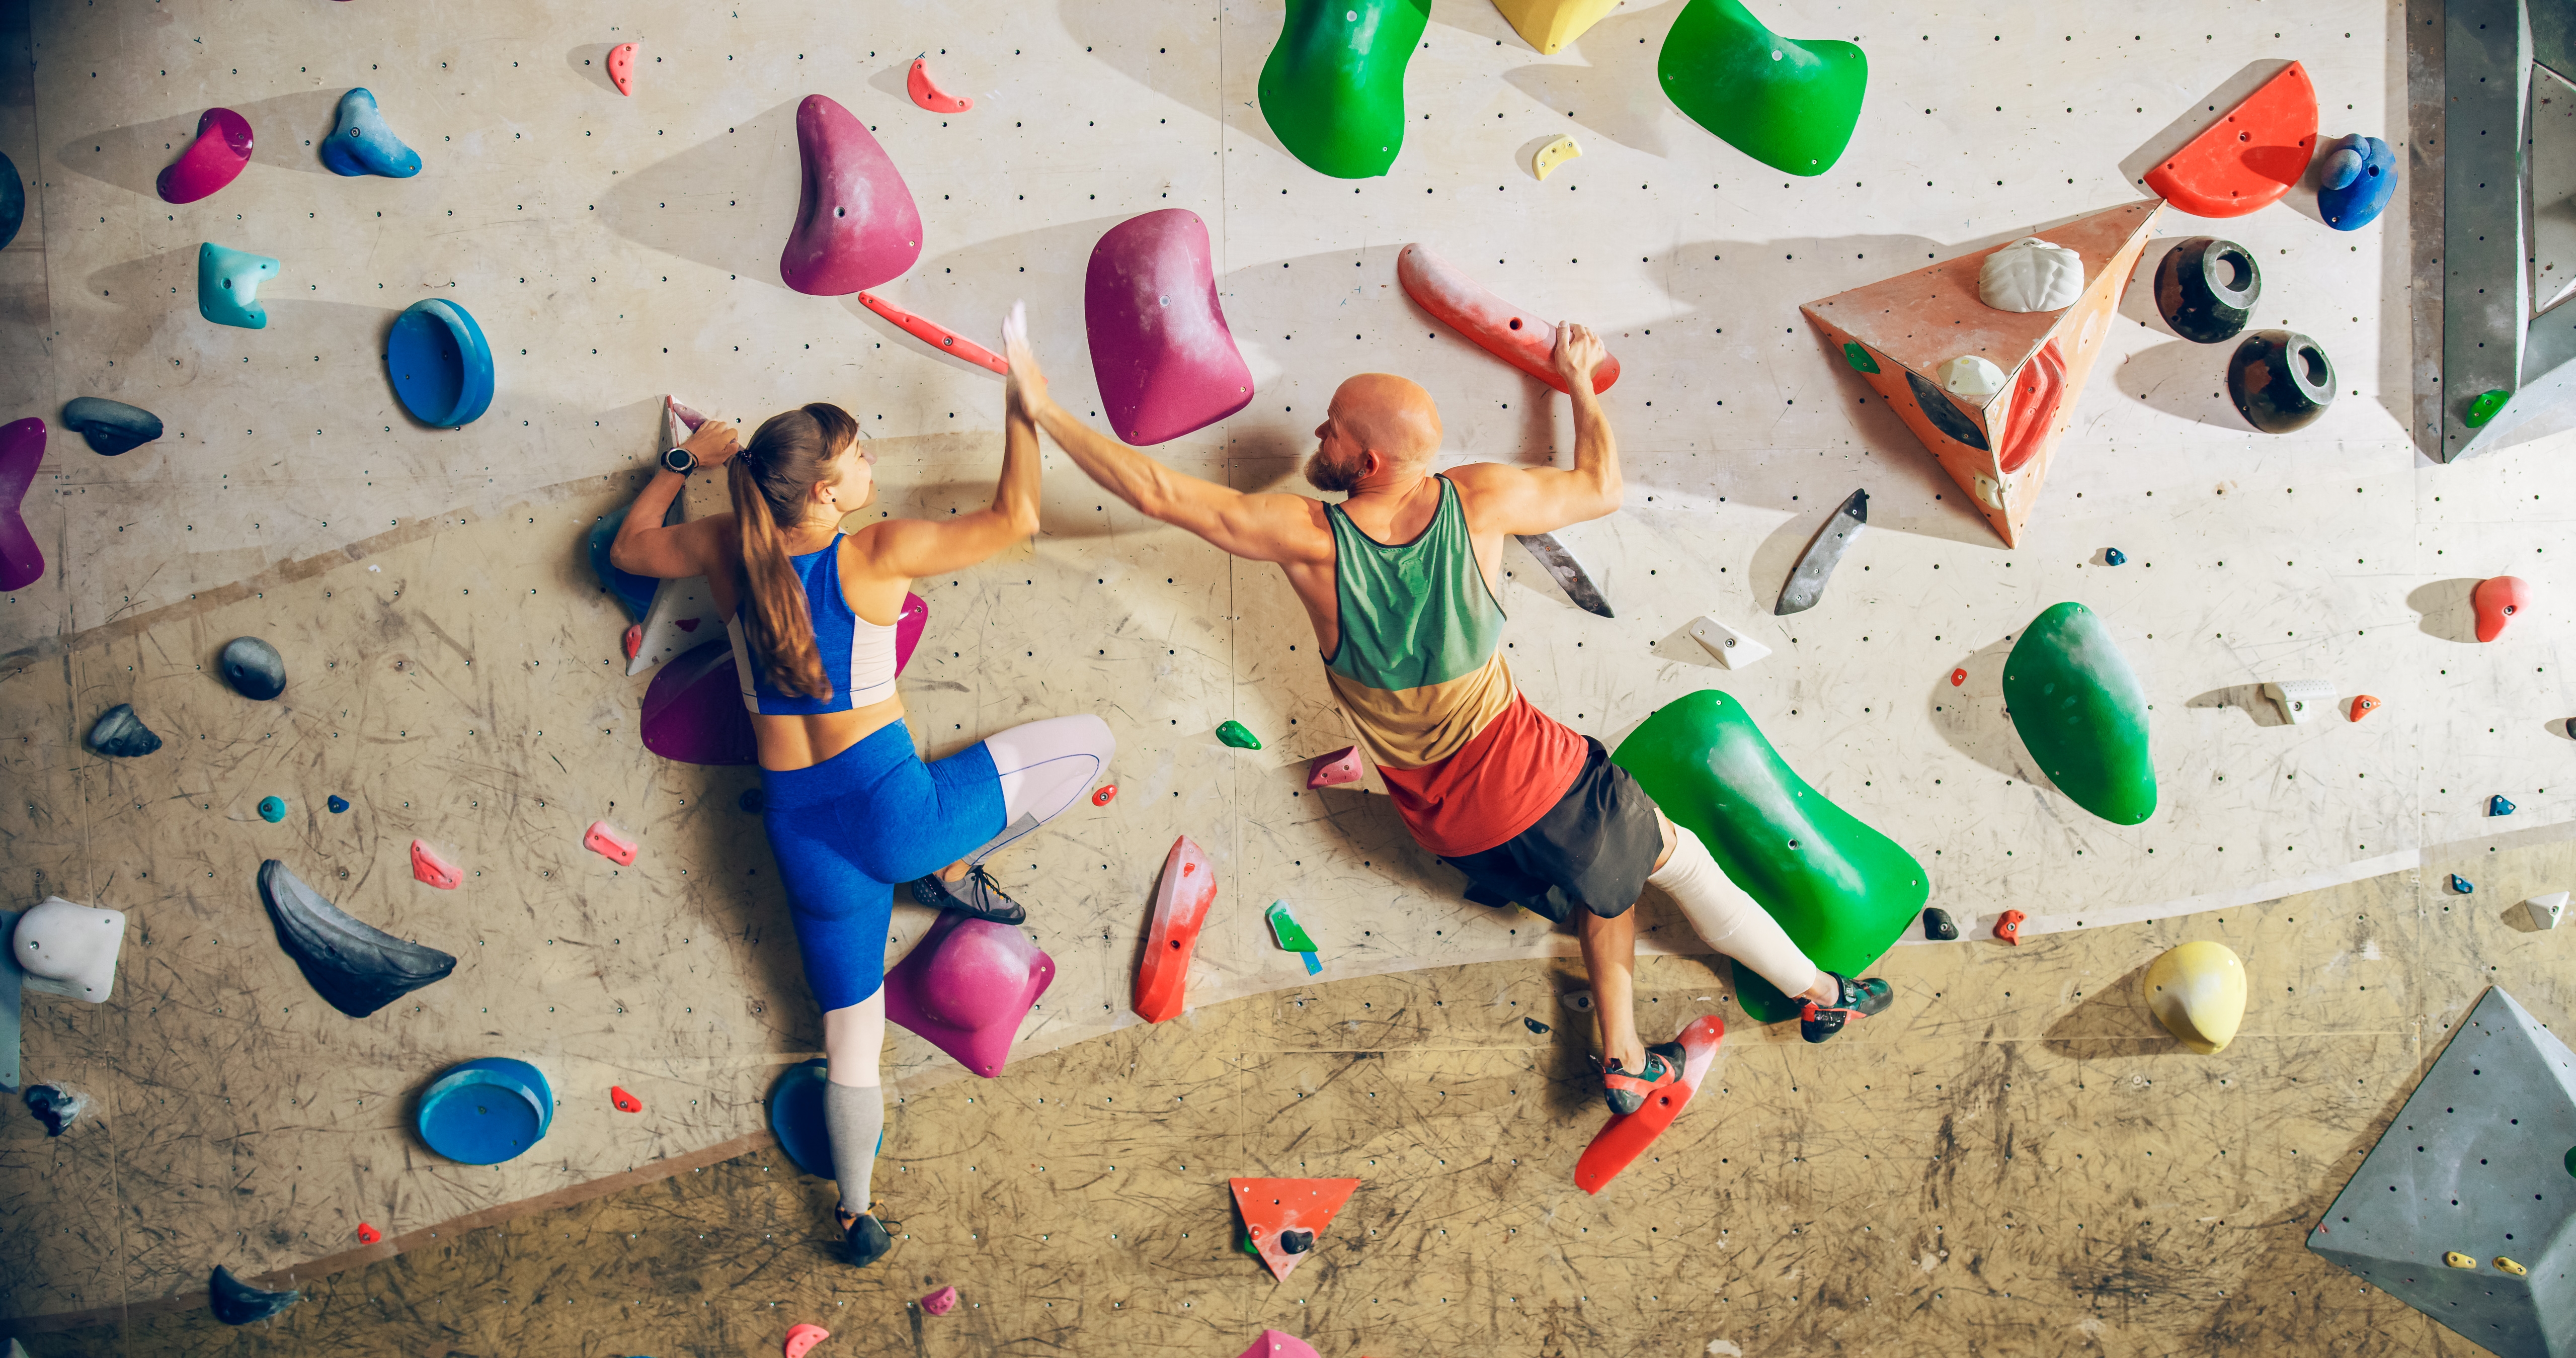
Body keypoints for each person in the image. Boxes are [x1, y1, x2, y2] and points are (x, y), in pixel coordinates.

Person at [1000, 318, 1887, 1119]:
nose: (1319, 434)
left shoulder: (1312, 542)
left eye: (1334, 429)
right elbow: (1602, 486)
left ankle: (1624, 1055)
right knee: (1677, 861)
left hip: (1448, 827)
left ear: (1369, 465)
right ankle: (1816, 994)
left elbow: (1162, 495)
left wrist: (1044, 409)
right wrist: (1578, 384)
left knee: (1603, 886)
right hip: (1536, 777)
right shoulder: (1481, 500)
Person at [609, 311, 1113, 1266]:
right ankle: (944, 864)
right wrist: (1023, 407)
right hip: (899, 815)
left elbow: (632, 551)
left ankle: (857, 1208)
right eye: (859, 457)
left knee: (851, 1037)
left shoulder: (724, 547)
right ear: (829, 489)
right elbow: (1016, 519)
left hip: (802, 838)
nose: (871, 465)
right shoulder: (871, 554)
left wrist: (683, 465)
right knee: (1092, 742)